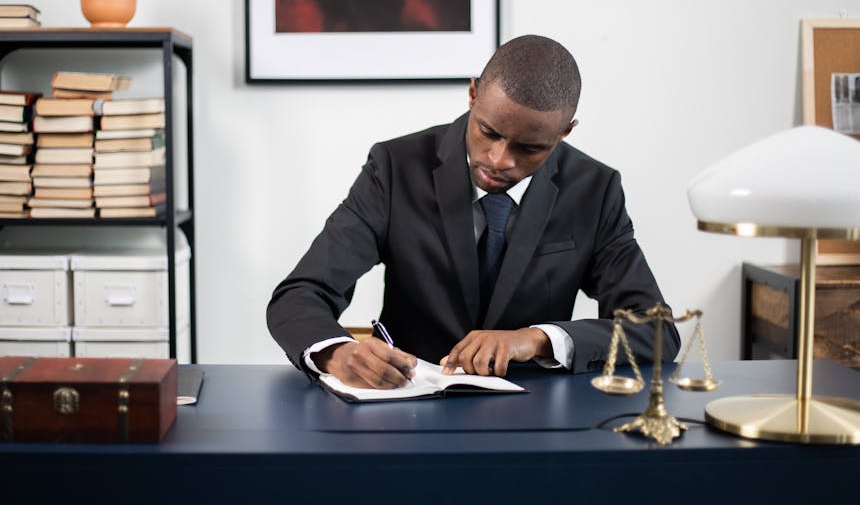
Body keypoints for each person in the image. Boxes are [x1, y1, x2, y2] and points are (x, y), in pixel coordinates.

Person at [267, 35, 679, 389]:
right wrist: (337, 353)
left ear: (565, 131)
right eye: (488, 132)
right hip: (404, 406)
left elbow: (656, 330)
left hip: (537, 418)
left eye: (530, 148)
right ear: (472, 94)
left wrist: (537, 339)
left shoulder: (595, 189)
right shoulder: (395, 168)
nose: (499, 160)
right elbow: (300, 294)